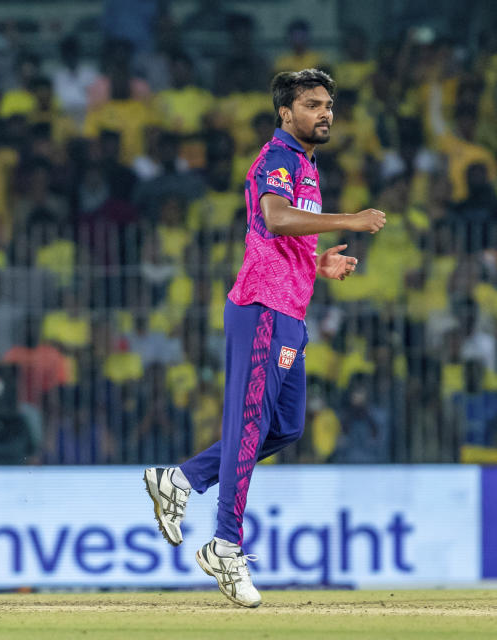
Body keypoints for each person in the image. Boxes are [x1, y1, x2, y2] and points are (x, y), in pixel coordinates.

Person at [142, 69, 385, 607]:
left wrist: (317, 264)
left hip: (289, 309)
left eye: (329, 105)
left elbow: (273, 234)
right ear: (286, 113)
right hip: (262, 308)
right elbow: (274, 219)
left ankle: (181, 481)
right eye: (313, 104)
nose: (325, 113)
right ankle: (226, 547)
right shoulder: (277, 158)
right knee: (248, 424)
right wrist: (350, 221)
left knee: (285, 426)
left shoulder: (305, 164)